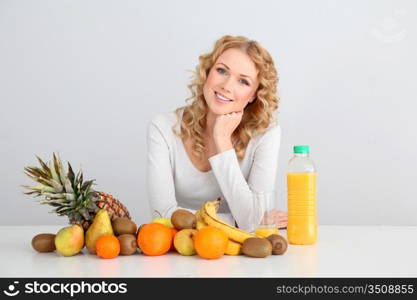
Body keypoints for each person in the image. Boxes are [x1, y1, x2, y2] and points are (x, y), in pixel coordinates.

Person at [146, 35, 287, 232]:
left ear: (254, 94)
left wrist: (222, 141)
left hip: (239, 256)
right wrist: (237, 221)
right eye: (221, 71)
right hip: (179, 252)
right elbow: (161, 215)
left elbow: (253, 223)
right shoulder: (163, 128)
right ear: (207, 72)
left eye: (243, 82)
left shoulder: (265, 134)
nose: (227, 86)